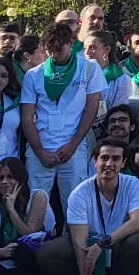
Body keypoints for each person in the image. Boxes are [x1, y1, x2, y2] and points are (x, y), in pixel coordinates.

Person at [38, 138, 139, 275]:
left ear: (124, 162)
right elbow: (79, 242)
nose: (109, 163)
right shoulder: (79, 193)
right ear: (95, 162)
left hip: (118, 243)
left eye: (116, 159)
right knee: (49, 252)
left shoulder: (134, 185)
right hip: (87, 245)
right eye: (104, 158)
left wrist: (103, 243)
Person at [22, 22, 102, 202]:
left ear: (71, 43)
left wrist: (73, 145)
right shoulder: (34, 74)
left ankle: (72, 232)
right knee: (36, 203)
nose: (53, 55)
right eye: (49, 50)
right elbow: (27, 117)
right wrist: (40, 151)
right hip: (41, 147)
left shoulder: (89, 68)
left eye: (58, 49)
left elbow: (91, 108)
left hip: (74, 147)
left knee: (74, 203)